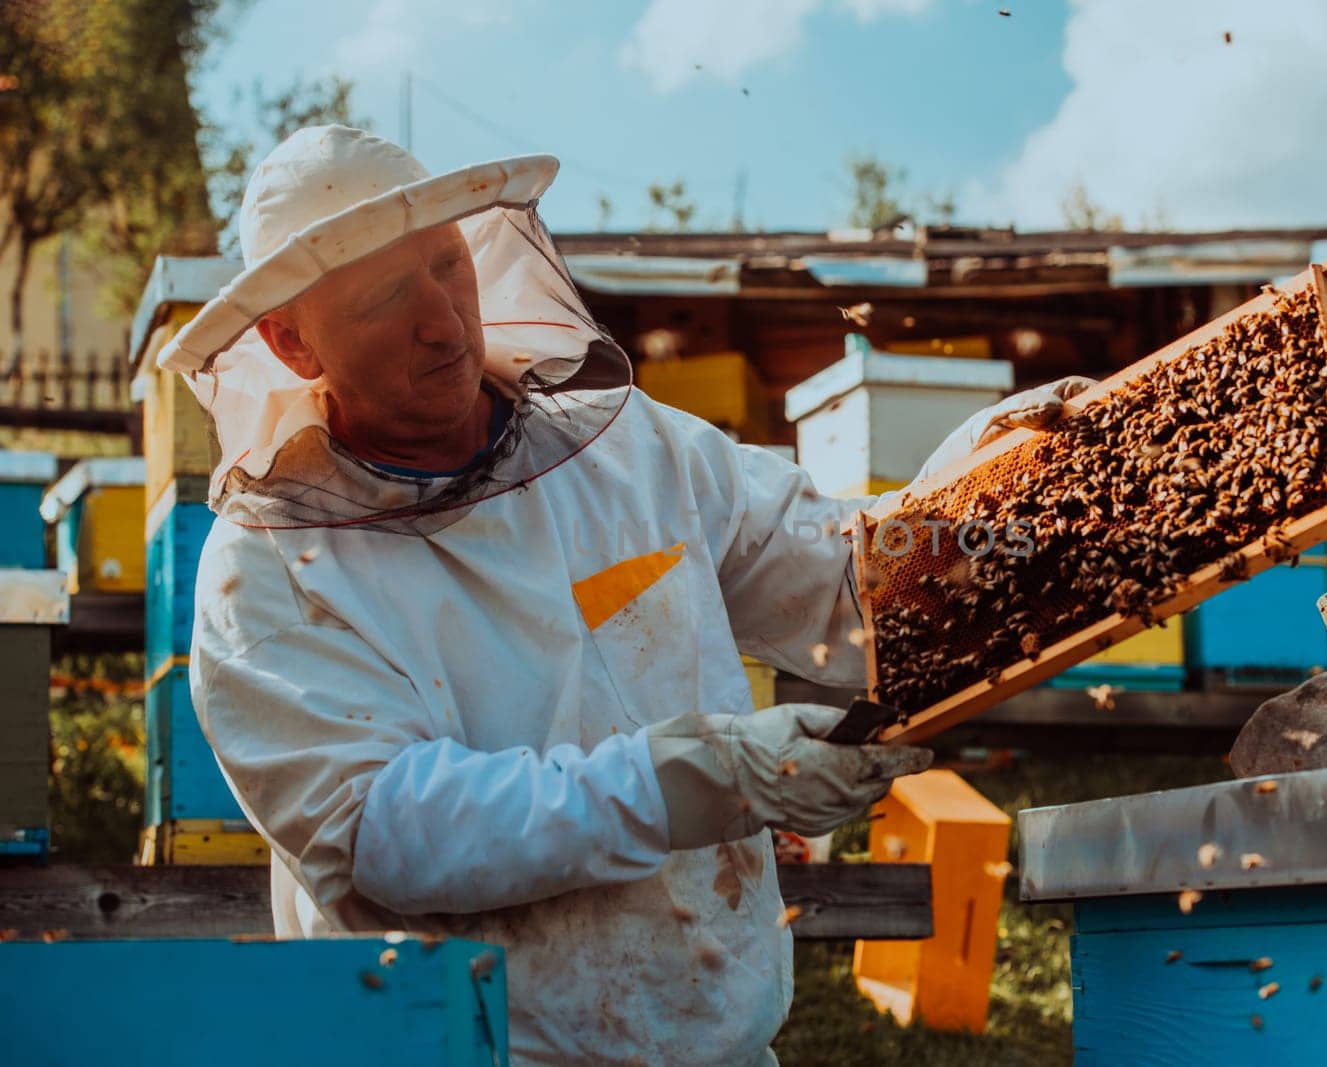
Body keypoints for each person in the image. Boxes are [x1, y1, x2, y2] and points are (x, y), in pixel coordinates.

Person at [168, 125, 1090, 1066]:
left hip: (716, 1036)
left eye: (448, 265)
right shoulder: (265, 577)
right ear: (290, 342)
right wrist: (693, 777)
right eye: (382, 299)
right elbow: (388, 831)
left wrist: (982, 494)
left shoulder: (632, 450)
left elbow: (844, 583)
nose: (443, 321)